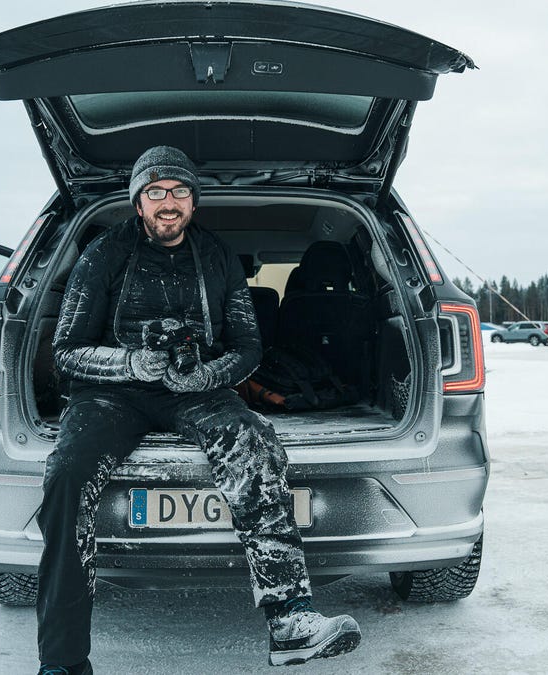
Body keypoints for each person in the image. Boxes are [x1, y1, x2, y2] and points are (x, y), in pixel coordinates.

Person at [36, 146, 362, 674]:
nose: (169, 202)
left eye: (180, 191)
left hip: (197, 389)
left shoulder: (216, 256)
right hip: (110, 393)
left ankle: (290, 621)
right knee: (68, 473)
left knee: (253, 442)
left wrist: (210, 374)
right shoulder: (102, 254)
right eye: (156, 191)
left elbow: (248, 346)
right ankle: (62, 661)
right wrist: (131, 363)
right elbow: (67, 350)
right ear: (137, 200)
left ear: (194, 200)